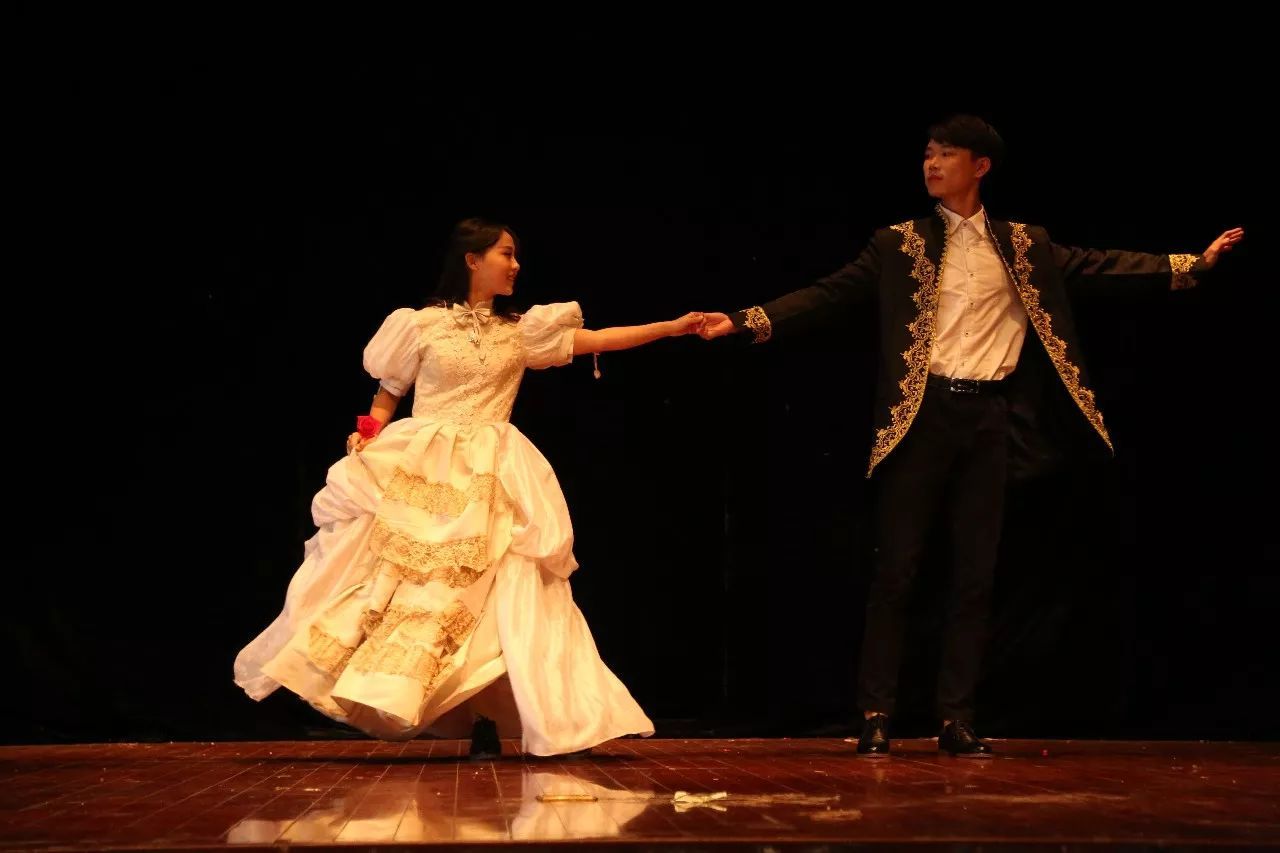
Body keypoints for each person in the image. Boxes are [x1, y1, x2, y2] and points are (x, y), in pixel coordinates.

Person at [698, 115, 1243, 757]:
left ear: (980, 166)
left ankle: (955, 718)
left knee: (975, 575)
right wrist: (744, 320)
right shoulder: (898, 243)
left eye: (947, 154)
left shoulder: (1024, 244)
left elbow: (1102, 267)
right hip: (920, 418)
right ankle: (876, 713)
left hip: (988, 420)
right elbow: (828, 294)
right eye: (927, 154)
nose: (931, 164)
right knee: (897, 571)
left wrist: (1192, 265)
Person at [236, 217, 704, 757]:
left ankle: (506, 712)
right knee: (412, 580)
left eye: (516, 255)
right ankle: (397, 691)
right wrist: (368, 430)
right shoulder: (420, 325)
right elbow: (388, 392)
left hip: (493, 467)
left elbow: (595, 340)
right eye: (506, 253)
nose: (515, 264)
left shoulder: (521, 330)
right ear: (472, 259)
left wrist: (670, 327)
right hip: (425, 463)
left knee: (499, 585)